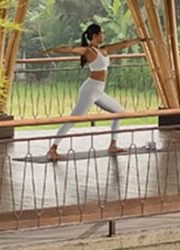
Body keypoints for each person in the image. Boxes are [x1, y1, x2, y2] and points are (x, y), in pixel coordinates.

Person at [45, 23, 144, 160]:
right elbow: (72, 49)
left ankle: (113, 145)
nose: (104, 35)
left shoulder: (104, 50)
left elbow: (123, 44)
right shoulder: (89, 51)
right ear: (95, 36)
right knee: (74, 118)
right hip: (90, 90)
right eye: (102, 33)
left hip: (99, 91)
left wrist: (139, 40)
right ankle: (52, 149)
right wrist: (53, 49)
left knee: (119, 112)